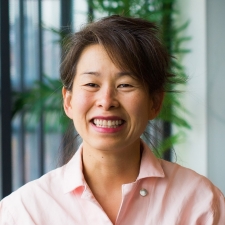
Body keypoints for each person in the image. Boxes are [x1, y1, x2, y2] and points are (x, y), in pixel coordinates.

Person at [0, 15, 224, 225]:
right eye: (91, 84)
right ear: (67, 101)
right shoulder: (23, 213)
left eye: (125, 84)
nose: (106, 101)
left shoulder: (201, 203)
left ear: (154, 103)